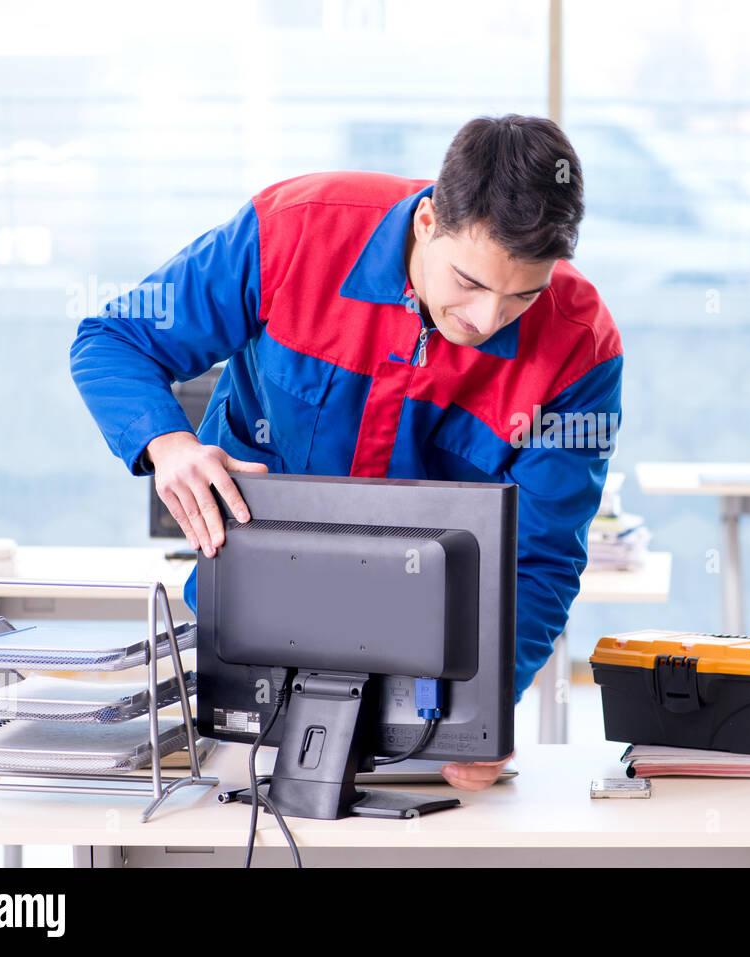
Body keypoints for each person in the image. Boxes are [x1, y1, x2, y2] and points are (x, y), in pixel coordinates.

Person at [70, 115, 623, 791]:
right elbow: (113, 339)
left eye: (521, 297)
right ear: (426, 221)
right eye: (469, 284)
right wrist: (169, 443)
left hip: (427, 675)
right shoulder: (294, 232)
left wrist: (488, 710)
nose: (485, 321)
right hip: (249, 638)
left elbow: (542, 557)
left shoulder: (580, 348)